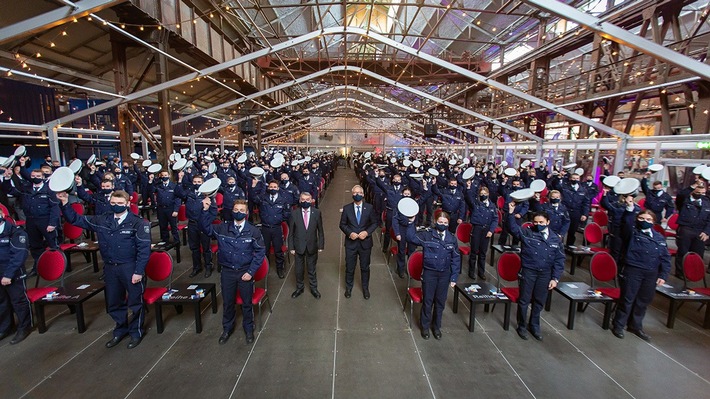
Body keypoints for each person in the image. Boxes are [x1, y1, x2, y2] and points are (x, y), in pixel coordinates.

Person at [58, 190, 150, 349]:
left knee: (135, 302)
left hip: (130, 267)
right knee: (114, 302)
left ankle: (136, 332)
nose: (116, 206)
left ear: (128, 204)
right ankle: (120, 329)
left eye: (120, 204)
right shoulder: (102, 220)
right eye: (113, 203)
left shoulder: (138, 223)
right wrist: (65, 203)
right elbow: (76, 219)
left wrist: (138, 271)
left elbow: (144, 249)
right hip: (110, 267)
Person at [199, 198, 265, 345]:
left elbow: (260, 253)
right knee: (228, 302)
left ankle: (249, 329)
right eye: (236, 210)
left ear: (247, 213)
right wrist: (205, 210)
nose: (238, 212)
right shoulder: (223, 228)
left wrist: (251, 272)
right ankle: (227, 329)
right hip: (227, 272)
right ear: (232, 211)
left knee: (247, 303)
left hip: (245, 272)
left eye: (242, 210)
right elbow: (206, 229)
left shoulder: (253, 231)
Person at [507, 204, 565, 341]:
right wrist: (510, 213)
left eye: (541, 222)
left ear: (548, 222)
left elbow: (559, 260)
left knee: (539, 301)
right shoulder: (528, 232)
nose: (538, 224)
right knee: (524, 300)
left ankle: (534, 325)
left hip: (545, 274)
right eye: (535, 222)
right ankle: (522, 326)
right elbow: (513, 229)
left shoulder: (555, 239)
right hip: (528, 271)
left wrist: (555, 278)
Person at [611, 210, 671, 341]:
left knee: (643, 301)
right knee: (627, 299)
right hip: (633, 270)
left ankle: (635, 326)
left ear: (653, 222)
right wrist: (629, 210)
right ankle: (618, 325)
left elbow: (665, 257)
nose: (645, 221)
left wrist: (663, 274)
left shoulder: (659, 237)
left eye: (648, 219)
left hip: (651, 273)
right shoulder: (632, 233)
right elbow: (625, 225)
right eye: (642, 218)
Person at [405, 212, 460, 340]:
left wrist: (454, 277)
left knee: (440, 302)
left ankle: (436, 327)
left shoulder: (451, 239)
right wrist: (411, 222)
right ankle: (425, 327)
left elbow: (456, 259)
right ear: (435, 222)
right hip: (430, 273)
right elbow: (411, 237)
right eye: (440, 222)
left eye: (445, 223)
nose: (443, 225)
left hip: (444, 274)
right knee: (428, 301)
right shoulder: (428, 235)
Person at [2, 165, 60, 275]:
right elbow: (9, 190)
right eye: (33, 176)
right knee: (35, 245)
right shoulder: (25, 188)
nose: (35, 177)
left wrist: (52, 223)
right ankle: (38, 267)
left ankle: (57, 266)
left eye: (38, 176)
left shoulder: (49, 190)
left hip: (45, 220)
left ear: (43, 177)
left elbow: (54, 207)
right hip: (31, 220)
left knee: (53, 244)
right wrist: (7, 179)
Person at [339, 185, 378, 299]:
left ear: (363, 194)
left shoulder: (369, 208)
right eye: (355, 193)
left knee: (365, 267)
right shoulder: (347, 208)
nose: (357, 195)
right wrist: (349, 233)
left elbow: (374, 223)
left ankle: (365, 288)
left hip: (365, 243)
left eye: (359, 193)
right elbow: (342, 224)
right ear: (352, 194)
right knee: (350, 267)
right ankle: (348, 288)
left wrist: (367, 232)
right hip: (351, 243)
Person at [0, 207, 31, 344]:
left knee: (18, 300)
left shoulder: (15, 232)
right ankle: (5, 327)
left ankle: (24, 327)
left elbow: (19, 255)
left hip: (12, 272)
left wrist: (8, 275)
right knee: (2, 302)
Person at [250, 179, 292, 279]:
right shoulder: (263, 197)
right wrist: (253, 186)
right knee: (265, 250)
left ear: (278, 188)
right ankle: (266, 268)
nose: (272, 188)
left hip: (277, 228)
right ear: (268, 188)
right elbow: (253, 198)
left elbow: (287, 212)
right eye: (270, 187)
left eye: (274, 187)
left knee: (278, 250)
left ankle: (280, 268)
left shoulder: (283, 199)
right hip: (265, 228)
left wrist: (279, 219)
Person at [288, 192, 324, 299]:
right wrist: (291, 247)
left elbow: (320, 230)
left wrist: (321, 245)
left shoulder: (317, 212)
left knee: (311, 269)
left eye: (307, 200)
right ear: (299, 200)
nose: (304, 201)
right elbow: (291, 233)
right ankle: (299, 288)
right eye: (302, 199)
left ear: (311, 200)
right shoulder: (294, 213)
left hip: (312, 245)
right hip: (298, 246)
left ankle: (314, 288)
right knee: (299, 269)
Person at [180, 174, 214, 278]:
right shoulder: (189, 194)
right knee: (194, 247)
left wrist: (206, 222)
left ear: (203, 183)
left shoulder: (208, 195)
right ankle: (196, 267)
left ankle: (208, 266)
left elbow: (214, 211)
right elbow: (178, 193)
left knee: (206, 247)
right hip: (192, 224)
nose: (196, 184)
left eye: (199, 182)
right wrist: (180, 180)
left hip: (203, 224)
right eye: (195, 182)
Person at [674, 182, 710, 279]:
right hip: (686, 229)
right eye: (698, 192)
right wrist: (693, 185)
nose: (701, 195)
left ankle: (694, 273)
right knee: (683, 251)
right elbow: (681, 194)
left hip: (700, 230)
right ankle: (681, 272)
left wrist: (707, 232)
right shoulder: (684, 201)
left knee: (698, 253)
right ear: (693, 191)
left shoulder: (706, 202)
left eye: (703, 193)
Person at [463, 185, 498, 280]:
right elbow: (468, 197)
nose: (483, 195)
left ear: (488, 194)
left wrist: (491, 230)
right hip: (477, 229)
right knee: (474, 251)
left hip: (486, 230)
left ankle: (481, 272)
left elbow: (495, 219)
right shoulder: (475, 204)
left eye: (485, 194)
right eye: (481, 194)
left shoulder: (492, 206)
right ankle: (471, 271)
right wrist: (469, 188)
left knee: (483, 252)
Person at [148, 170, 182, 244]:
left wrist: (176, 210)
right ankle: (165, 241)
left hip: (171, 209)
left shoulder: (174, 186)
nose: (164, 177)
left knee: (174, 227)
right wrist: (150, 181)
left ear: (169, 176)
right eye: (162, 175)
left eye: (166, 175)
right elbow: (151, 190)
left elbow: (178, 199)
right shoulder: (158, 186)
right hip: (161, 209)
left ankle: (177, 242)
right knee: (163, 226)